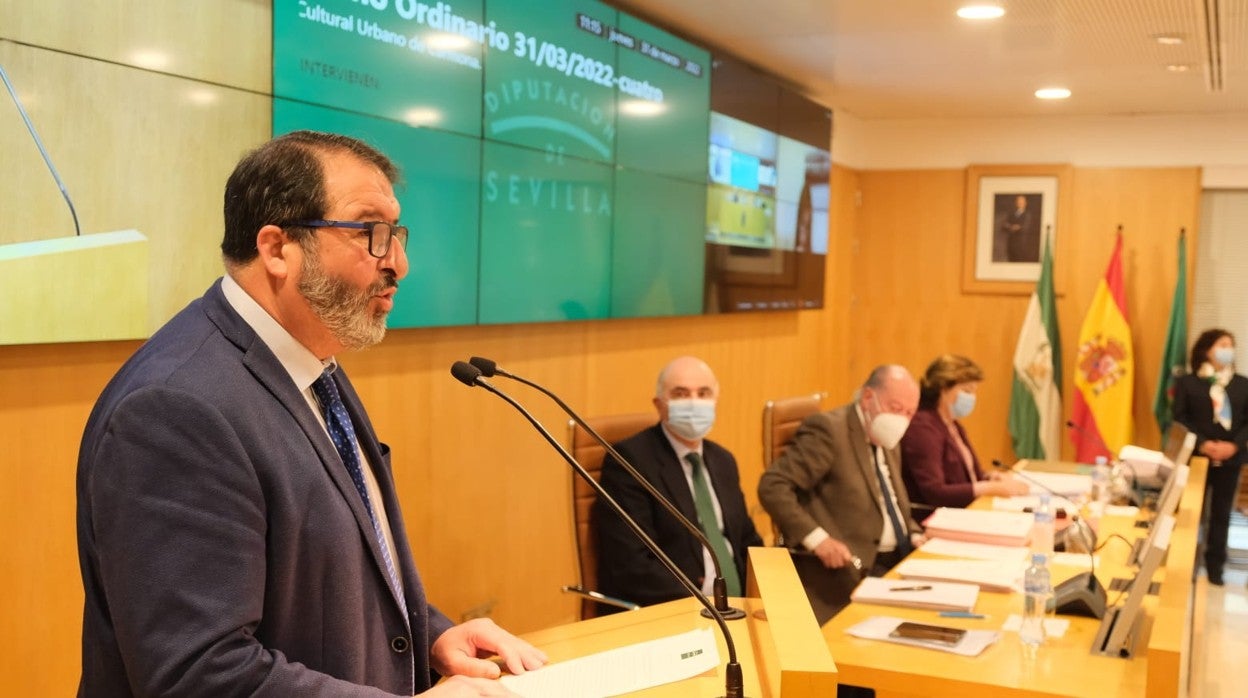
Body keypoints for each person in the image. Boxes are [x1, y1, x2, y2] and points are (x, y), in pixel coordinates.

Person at [76, 131, 546, 697]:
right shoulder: (175, 410)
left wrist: (434, 636)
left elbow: (327, 579)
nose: (399, 262)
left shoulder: (310, 360)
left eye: (396, 233)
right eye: (371, 232)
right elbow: (200, 676)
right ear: (277, 249)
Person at [757, 365, 925, 624]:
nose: (901, 419)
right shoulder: (830, 431)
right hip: (851, 570)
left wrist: (913, 532)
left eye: (909, 413)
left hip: (899, 560)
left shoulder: (886, 434)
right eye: (895, 408)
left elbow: (889, 498)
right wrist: (819, 540)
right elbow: (773, 486)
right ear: (869, 398)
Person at [595, 356, 763, 610]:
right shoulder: (630, 462)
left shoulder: (722, 460)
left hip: (739, 606)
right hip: (677, 609)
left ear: (715, 401)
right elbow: (631, 564)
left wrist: (773, 588)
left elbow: (746, 540)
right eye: (681, 394)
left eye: (703, 393)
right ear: (660, 404)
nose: (694, 402)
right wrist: (700, 603)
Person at [900, 354, 1028, 517]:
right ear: (943, 388)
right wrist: (989, 488)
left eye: (974, 391)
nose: (971, 398)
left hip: (964, 512)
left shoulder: (952, 424)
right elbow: (935, 492)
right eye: (966, 391)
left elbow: (969, 474)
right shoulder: (923, 427)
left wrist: (991, 477)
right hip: (936, 518)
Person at [1172, 328, 1248, 586]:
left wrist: (1233, 447)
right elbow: (1180, 418)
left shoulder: (1242, 384)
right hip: (1198, 457)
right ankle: (1188, 565)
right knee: (1194, 512)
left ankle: (1216, 567)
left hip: (1231, 459)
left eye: (1231, 345)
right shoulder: (1189, 383)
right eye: (1223, 344)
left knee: (1222, 514)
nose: (1229, 349)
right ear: (1207, 349)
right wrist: (1203, 444)